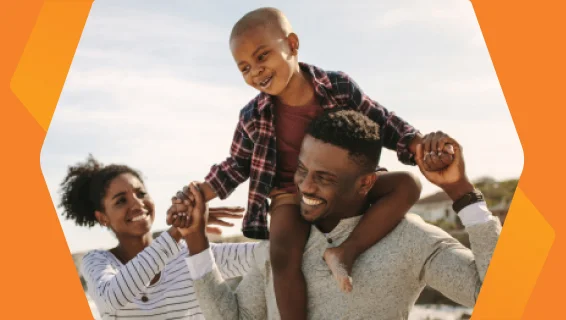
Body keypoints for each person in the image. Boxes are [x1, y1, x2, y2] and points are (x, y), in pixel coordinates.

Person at [185, 7, 456, 319]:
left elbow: (382, 120)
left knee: (408, 184)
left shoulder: (337, 87)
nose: (256, 72)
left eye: (262, 56)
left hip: (344, 185)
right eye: (244, 68)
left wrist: (417, 142)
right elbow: (237, 164)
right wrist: (201, 192)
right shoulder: (252, 114)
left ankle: (345, 252)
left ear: (292, 44)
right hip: (290, 193)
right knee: (283, 254)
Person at [178, 109, 501, 320]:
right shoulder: (282, 245)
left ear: (366, 183)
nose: (304, 186)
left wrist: (460, 191)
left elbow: (499, 295)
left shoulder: (410, 239)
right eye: (302, 170)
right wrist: (196, 242)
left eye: (324, 177)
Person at [59, 156, 258, 320]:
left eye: (141, 193)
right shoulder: (98, 261)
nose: (137, 204)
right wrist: (179, 230)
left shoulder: (193, 254)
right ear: (102, 217)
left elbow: (270, 257)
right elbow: (110, 298)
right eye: (121, 200)